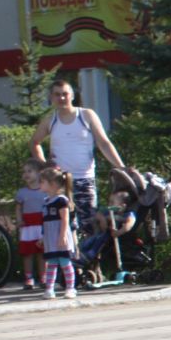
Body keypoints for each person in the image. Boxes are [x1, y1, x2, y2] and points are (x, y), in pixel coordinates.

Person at [29, 79, 127, 271]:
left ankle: (92, 267)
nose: (61, 98)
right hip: (61, 183)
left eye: (65, 93)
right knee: (64, 227)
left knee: (90, 224)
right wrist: (44, 166)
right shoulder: (51, 121)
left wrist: (122, 168)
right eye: (57, 94)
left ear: (72, 95)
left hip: (84, 179)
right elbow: (34, 142)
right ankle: (70, 271)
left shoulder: (86, 115)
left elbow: (104, 143)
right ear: (51, 98)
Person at [39, 165, 76, 299]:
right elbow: (44, 221)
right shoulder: (46, 201)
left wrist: (62, 236)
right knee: (52, 263)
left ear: (53, 184)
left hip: (60, 236)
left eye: (42, 182)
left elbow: (65, 219)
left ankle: (70, 288)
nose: (40, 184)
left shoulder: (61, 200)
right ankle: (49, 289)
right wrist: (43, 237)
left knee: (65, 262)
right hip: (50, 237)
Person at [15, 158, 47, 290]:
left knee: (41, 252)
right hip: (27, 225)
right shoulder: (21, 192)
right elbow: (18, 207)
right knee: (27, 253)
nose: (26, 174)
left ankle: (43, 277)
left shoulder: (44, 191)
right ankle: (28, 278)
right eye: (24, 172)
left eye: (30, 171)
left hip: (41, 224)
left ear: (39, 173)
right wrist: (19, 219)